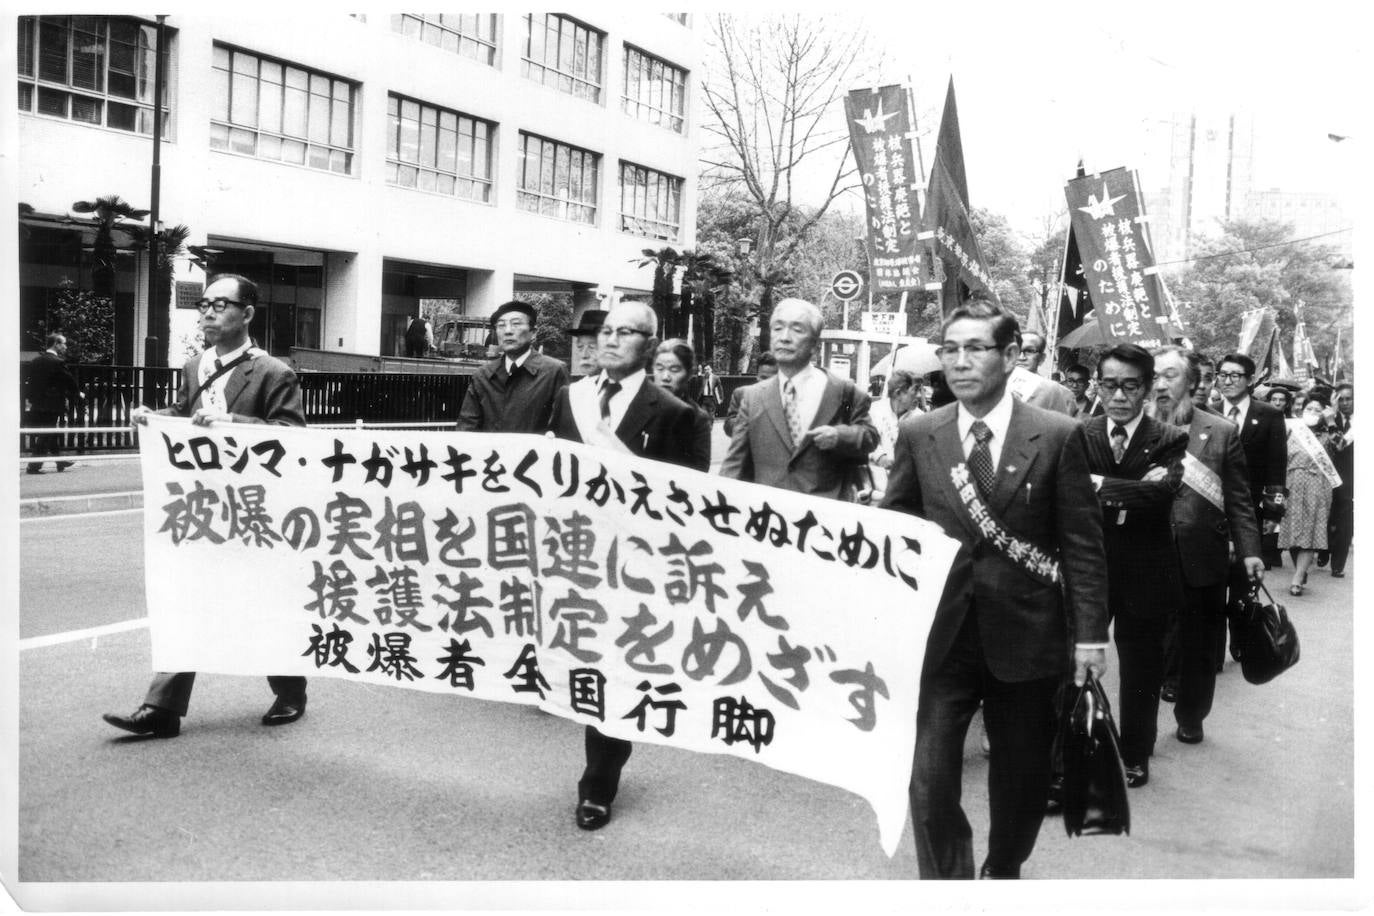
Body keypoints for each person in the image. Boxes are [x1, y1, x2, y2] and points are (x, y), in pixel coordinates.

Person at [881, 301, 1108, 880]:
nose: (959, 363)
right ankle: (950, 886)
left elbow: (1082, 545)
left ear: (1010, 356)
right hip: (942, 637)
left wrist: (1089, 638)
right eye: (950, 350)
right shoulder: (919, 432)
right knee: (928, 779)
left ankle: (1003, 869)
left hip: (1028, 638)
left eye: (975, 349)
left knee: (1022, 781)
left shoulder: (1058, 435)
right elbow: (895, 532)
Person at [104, 273, 308, 738]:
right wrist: (154, 418)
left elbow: (292, 437)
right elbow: (185, 415)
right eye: (206, 304)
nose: (209, 311)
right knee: (190, 597)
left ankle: (291, 689)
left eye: (221, 304)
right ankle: (162, 710)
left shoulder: (274, 371)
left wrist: (233, 421)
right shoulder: (196, 365)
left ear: (247, 314)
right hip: (204, 505)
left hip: (255, 509)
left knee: (260, 601)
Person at [547, 301, 699, 832]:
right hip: (574, 554)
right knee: (578, 661)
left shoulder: (680, 416)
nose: (610, 341)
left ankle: (597, 784)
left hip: (636, 566)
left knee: (615, 672)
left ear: (650, 345)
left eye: (626, 333)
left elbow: (686, 510)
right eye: (606, 331)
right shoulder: (570, 400)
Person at [1083, 344, 1187, 788]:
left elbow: (1163, 494)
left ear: (1146, 389)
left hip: (1146, 569)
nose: (1119, 396)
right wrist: (1131, 488)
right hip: (1089, 565)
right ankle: (1072, 746)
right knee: (1076, 659)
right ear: (1098, 386)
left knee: (1141, 666)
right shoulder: (1079, 433)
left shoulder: (1168, 438)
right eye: (1110, 385)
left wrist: (1099, 485)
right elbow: (1067, 492)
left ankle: (1135, 752)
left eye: (1130, 386)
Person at [1150, 346, 1262, 746]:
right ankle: (1140, 728)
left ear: (1192, 383)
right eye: (1154, 375)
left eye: (1169, 375)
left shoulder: (1220, 431)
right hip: (1144, 554)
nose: (1159, 383)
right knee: (1147, 643)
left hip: (1202, 553)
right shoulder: (1132, 425)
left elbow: (1239, 497)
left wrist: (1249, 549)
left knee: (1199, 644)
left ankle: (1192, 715)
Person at [720, 298, 878, 500]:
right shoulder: (752, 397)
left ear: (814, 344)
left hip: (825, 518)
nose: (784, 337)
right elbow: (734, 464)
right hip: (767, 518)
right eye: (778, 328)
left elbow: (870, 437)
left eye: (797, 330)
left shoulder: (844, 391)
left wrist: (840, 436)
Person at [456, 300, 569, 433]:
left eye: (516, 324)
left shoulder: (553, 371)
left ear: (533, 333)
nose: (508, 331)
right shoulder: (483, 375)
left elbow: (564, 429)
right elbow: (467, 428)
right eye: (501, 325)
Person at [1278, 394, 1341, 596]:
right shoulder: (1290, 430)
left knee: (1311, 532)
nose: (1313, 413)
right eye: (1309, 408)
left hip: (1317, 486)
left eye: (1318, 409)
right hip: (1292, 484)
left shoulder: (1327, 435)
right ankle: (1301, 569)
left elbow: (1340, 445)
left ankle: (1297, 578)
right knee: (1293, 532)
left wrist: (1332, 422)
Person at [24, 332, 85, 473]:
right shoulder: (58, 362)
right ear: (56, 344)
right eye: (63, 344)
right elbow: (69, 380)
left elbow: (30, 383)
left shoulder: (36, 361)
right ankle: (33, 466)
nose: (65, 347)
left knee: (49, 431)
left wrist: (31, 399)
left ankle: (59, 462)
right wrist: (77, 393)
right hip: (52, 403)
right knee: (47, 432)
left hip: (38, 402)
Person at [652, 339, 713, 472]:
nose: (665, 377)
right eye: (659, 368)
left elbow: (700, 471)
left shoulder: (698, 418)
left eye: (674, 370)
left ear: (689, 374)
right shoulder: (638, 406)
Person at [866, 369, 923, 502]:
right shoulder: (874, 410)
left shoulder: (921, 418)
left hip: (903, 493)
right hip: (873, 489)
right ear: (898, 393)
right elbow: (864, 439)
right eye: (915, 390)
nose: (919, 395)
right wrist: (879, 455)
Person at [1007, 330, 1075, 415]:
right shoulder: (993, 388)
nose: (1021, 357)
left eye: (1029, 351)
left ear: (1042, 358)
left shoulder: (1062, 395)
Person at [1327, 383, 1354, 577]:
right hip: (1326, 475)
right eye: (1341, 399)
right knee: (1327, 517)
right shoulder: (1327, 416)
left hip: (1349, 478)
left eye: (1349, 398)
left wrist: (1330, 422)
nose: (1345, 403)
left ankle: (1338, 565)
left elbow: (1340, 444)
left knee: (1344, 520)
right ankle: (1323, 549)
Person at [723, 353, 777, 437]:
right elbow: (728, 426)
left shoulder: (788, 397)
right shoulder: (741, 394)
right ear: (757, 377)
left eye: (772, 379)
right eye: (764, 378)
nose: (767, 383)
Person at [567, 308, 606, 377]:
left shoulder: (626, 386)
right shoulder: (576, 387)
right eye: (580, 347)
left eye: (592, 347)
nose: (584, 355)